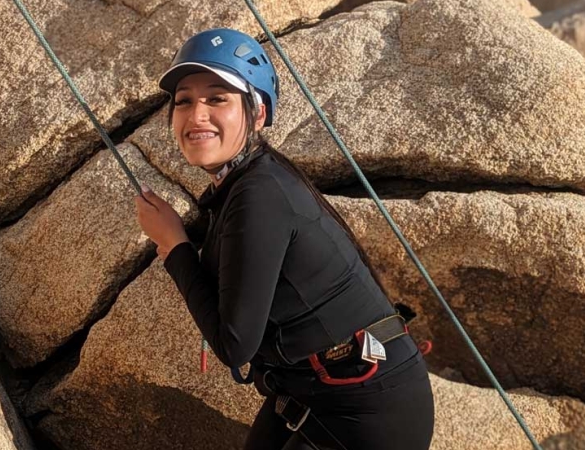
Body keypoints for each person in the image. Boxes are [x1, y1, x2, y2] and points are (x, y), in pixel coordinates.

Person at [135, 28, 435, 450]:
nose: (196, 114)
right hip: (318, 387)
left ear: (257, 114)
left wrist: (175, 247)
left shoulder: (259, 193)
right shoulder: (246, 181)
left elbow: (235, 343)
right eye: (184, 101)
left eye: (217, 98)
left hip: (367, 408)